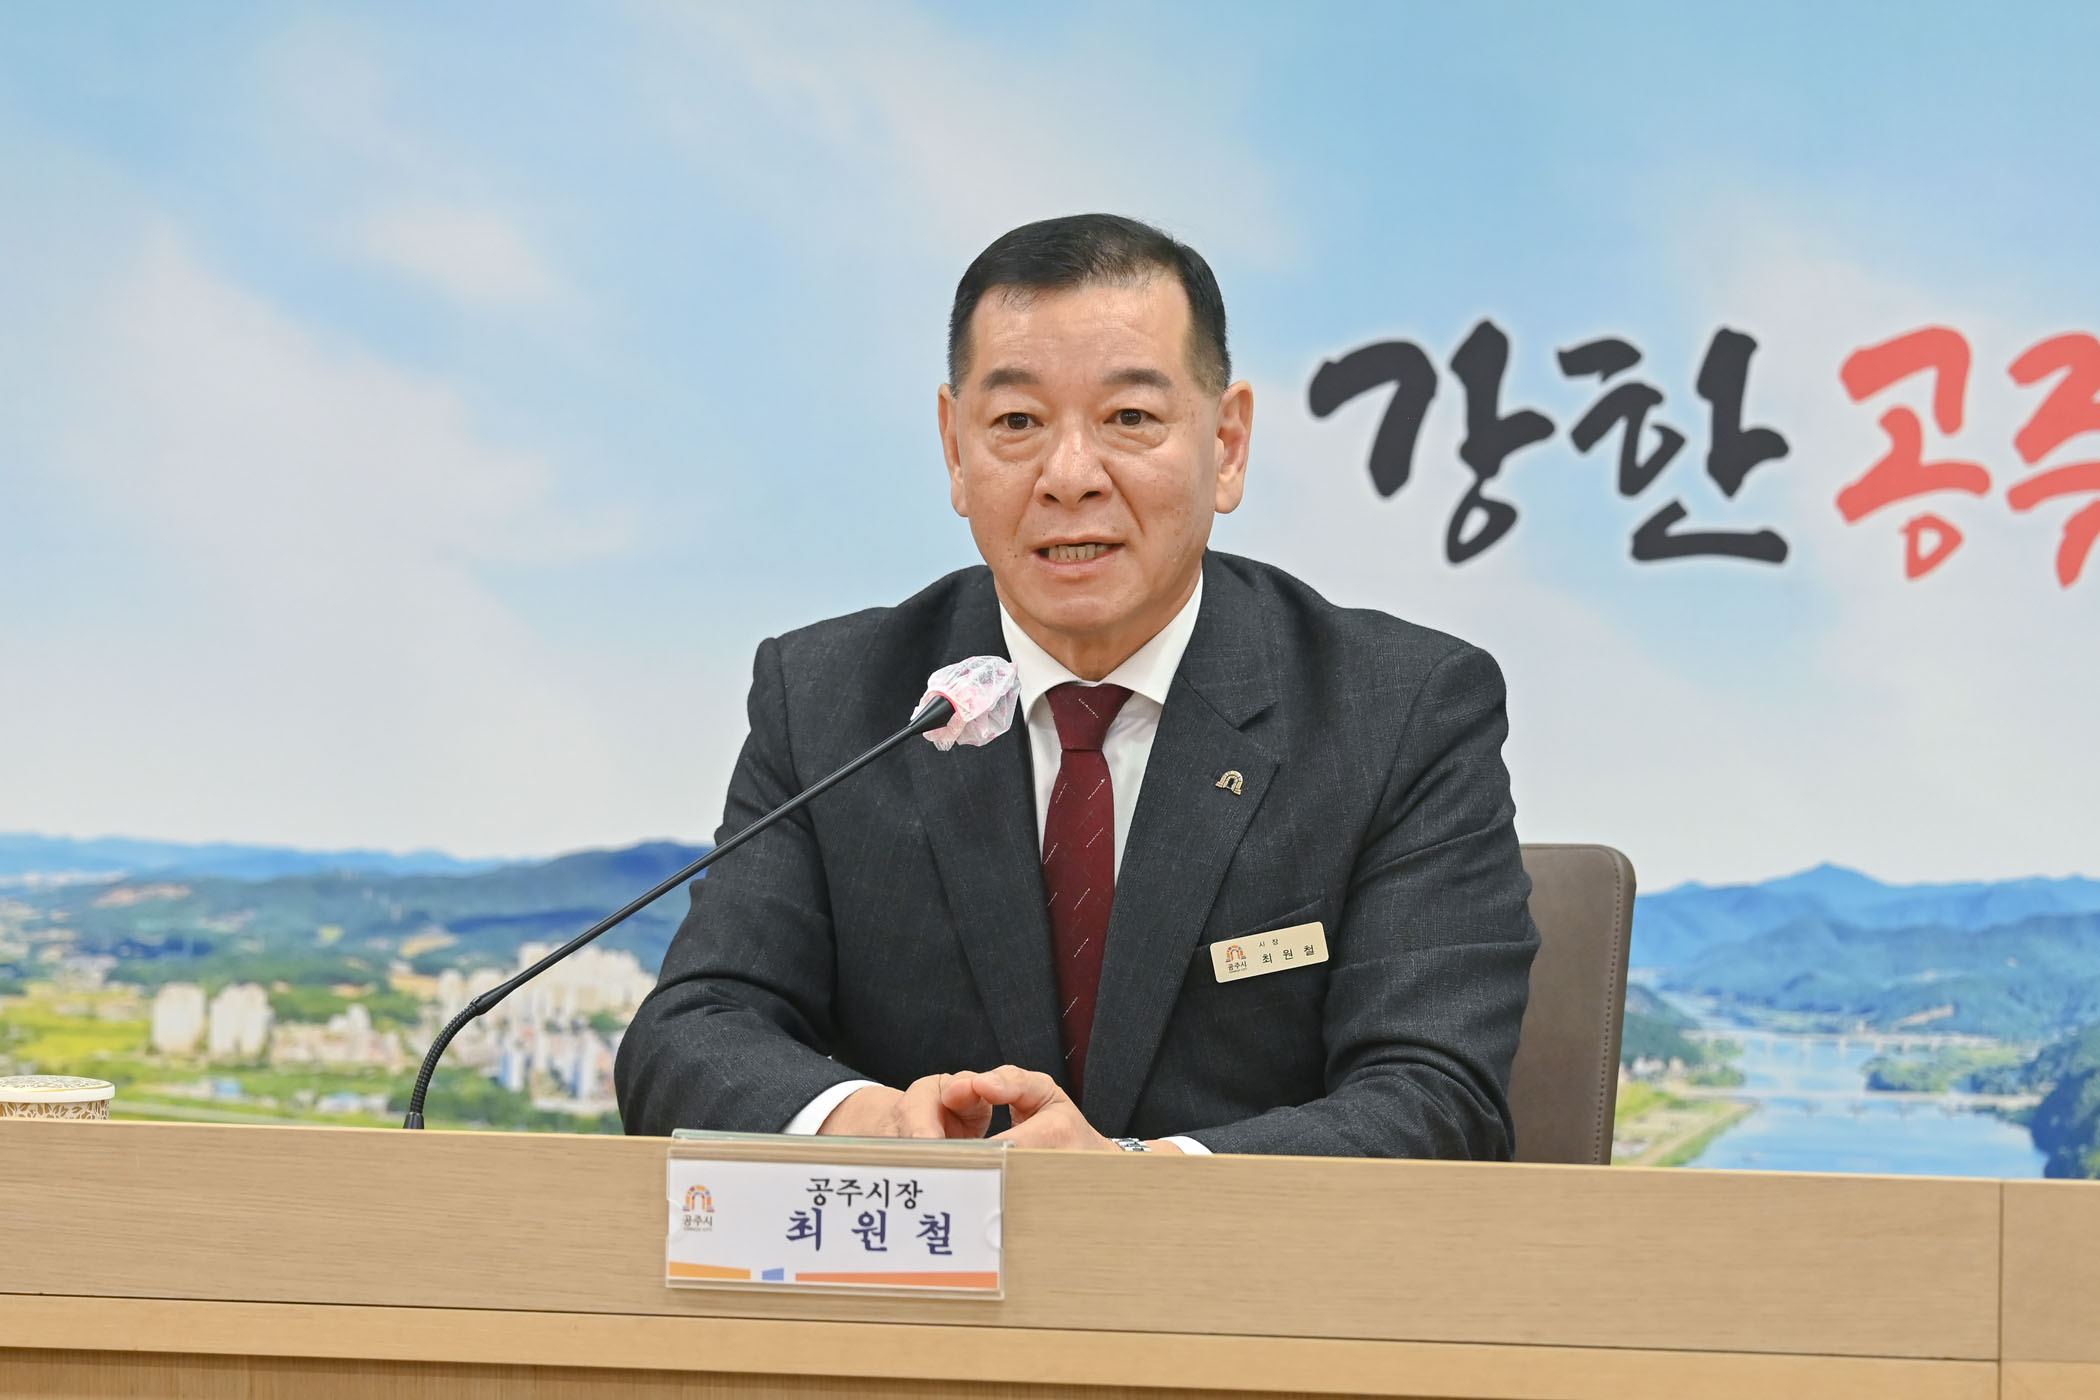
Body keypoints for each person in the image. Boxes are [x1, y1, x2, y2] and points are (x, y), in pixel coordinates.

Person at [616, 214, 1538, 1156]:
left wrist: (1133, 1182)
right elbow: (691, 1034)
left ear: (1227, 445)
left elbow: (1436, 1097)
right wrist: (878, 1125)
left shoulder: (1400, 710)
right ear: (955, 451)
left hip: (1233, 1252)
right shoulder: (831, 701)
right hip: (923, 1249)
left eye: (1129, 419)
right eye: (1016, 423)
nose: (1069, 476)